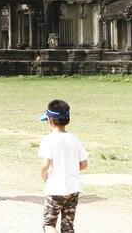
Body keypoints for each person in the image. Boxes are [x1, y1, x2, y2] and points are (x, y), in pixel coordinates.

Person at [38, 99, 88, 233]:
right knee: (68, 226)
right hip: (73, 189)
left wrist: (44, 175)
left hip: (55, 189)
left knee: (49, 224)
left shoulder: (48, 140)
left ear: (49, 120)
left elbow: (45, 164)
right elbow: (83, 164)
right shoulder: (75, 139)